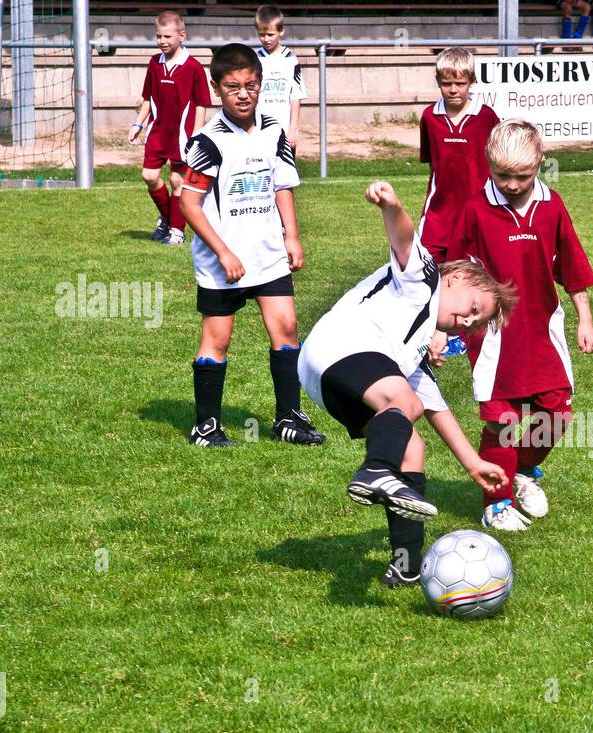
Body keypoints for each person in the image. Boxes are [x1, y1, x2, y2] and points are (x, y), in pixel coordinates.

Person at [298, 181, 518, 586]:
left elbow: (437, 409)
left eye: (476, 323)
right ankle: (375, 470)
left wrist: (473, 464)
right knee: (404, 405)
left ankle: (407, 563)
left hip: (326, 377)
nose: (468, 321)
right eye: (473, 307)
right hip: (338, 347)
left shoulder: (415, 348)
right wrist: (392, 206)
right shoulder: (426, 278)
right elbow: (404, 238)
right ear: (456, 279)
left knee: (412, 445)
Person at [447, 120, 593, 532]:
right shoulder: (476, 210)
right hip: (494, 336)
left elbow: (572, 265)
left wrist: (584, 318)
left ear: (540, 165)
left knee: (557, 415)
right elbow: (453, 274)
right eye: (502, 175)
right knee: (503, 419)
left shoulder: (552, 206)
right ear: (489, 166)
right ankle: (496, 502)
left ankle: (522, 470)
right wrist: (442, 330)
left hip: (543, 331)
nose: (512, 184)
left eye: (522, 175)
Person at [179, 43, 324, 449]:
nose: (243, 94)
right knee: (218, 340)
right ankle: (206, 426)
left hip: (268, 254)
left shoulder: (274, 129)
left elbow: (281, 186)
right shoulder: (208, 141)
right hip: (222, 262)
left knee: (287, 329)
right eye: (232, 87)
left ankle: (287, 417)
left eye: (250, 85)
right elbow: (189, 203)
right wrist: (224, 252)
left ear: (260, 85)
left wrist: (291, 235)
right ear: (217, 89)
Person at [129, 10, 211, 245]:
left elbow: (201, 104)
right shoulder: (154, 63)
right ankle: (167, 218)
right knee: (149, 176)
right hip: (158, 131)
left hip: (183, 135)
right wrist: (138, 123)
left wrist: (196, 134)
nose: (162, 42)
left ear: (181, 36)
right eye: (158, 37)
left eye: (167, 37)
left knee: (177, 181)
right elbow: (147, 98)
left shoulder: (193, 67)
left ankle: (177, 230)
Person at [418, 47, 501, 264]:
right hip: (439, 216)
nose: (453, 90)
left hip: (479, 212)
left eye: (460, 84)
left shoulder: (486, 117)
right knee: (430, 275)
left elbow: (501, 160)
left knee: (474, 277)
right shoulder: (429, 117)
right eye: (446, 84)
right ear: (438, 82)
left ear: (471, 81)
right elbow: (433, 166)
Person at [253, 4, 305, 150]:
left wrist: (293, 130)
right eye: (262, 35)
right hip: (260, 130)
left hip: (285, 131)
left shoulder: (291, 60)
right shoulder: (255, 59)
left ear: (281, 31)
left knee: (286, 171)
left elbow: (295, 98)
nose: (266, 39)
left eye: (270, 34)